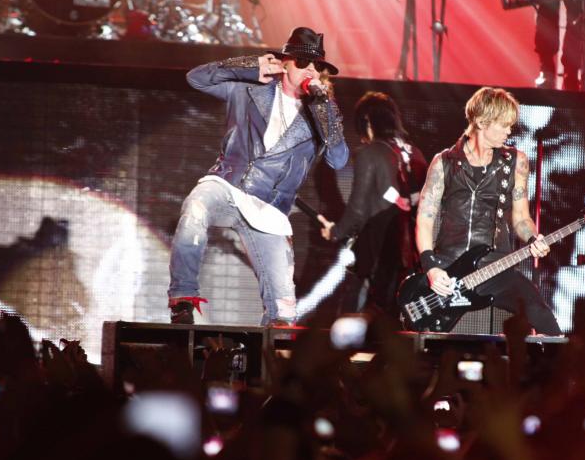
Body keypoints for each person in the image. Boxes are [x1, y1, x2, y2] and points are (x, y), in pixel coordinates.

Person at [168, 27, 349, 325]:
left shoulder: (321, 115)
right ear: (284, 63)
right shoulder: (248, 90)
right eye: (303, 62)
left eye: (317, 65)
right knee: (196, 205)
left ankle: (267, 351)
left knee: (284, 314)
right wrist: (251, 66)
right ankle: (183, 298)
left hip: (269, 209)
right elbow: (196, 78)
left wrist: (323, 107)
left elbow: (338, 159)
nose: (311, 70)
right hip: (228, 185)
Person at [414, 87, 561, 335]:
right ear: (482, 122)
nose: (509, 131)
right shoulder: (444, 162)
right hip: (450, 269)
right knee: (430, 342)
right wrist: (431, 268)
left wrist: (533, 238)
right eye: (504, 125)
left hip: (497, 268)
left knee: (543, 318)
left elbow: (521, 218)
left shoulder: (516, 162)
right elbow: (424, 220)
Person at [317, 92, 427, 316]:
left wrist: (336, 231)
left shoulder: (370, 153)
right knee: (397, 318)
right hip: (411, 255)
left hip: (377, 252)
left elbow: (358, 209)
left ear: (367, 121)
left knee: (358, 315)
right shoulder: (415, 153)